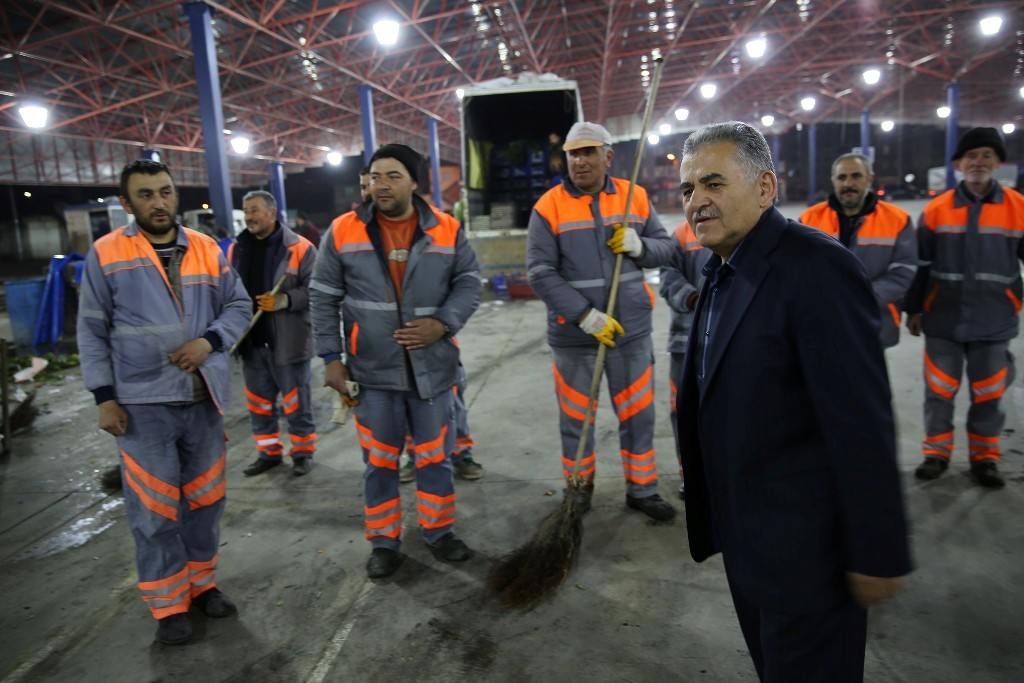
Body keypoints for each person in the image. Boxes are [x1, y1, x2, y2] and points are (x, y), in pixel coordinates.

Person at [675, 122, 911, 682]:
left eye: (713, 183)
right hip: (749, 543)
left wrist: (877, 551)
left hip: (810, 557)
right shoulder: (720, 270)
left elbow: (861, 422)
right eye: (687, 190)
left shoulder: (817, 269)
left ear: (765, 188)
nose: (697, 201)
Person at [77, 159, 252, 645]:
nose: (159, 201)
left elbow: (240, 305)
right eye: (147, 194)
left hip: (203, 399)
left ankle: (202, 588)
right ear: (127, 203)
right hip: (141, 404)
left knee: (206, 502)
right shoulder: (107, 253)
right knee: (154, 513)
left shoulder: (205, 248)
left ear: (176, 195)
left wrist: (210, 342)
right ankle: (168, 604)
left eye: (165, 191)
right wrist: (104, 398)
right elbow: (91, 330)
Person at [310, 143, 482, 579]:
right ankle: (384, 541)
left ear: (414, 182)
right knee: (381, 462)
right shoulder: (343, 231)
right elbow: (323, 297)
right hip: (372, 371)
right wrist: (331, 357)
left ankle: (439, 531)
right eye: (375, 176)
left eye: (392, 176)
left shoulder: (446, 229)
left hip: (433, 369)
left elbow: (468, 284)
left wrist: (442, 324)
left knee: (434, 458)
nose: (380, 185)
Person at [526, 121, 676, 521]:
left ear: (608, 156)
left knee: (638, 415)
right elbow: (540, 272)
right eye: (574, 153)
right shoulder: (549, 207)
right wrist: (584, 315)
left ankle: (642, 489)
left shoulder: (634, 198)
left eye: (589, 152)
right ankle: (579, 490)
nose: (580, 160)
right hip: (575, 337)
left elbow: (667, 249)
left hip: (630, 333)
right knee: (576, 419)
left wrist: (640, 245)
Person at [905, 127, 1024, 488]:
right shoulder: (936, 210)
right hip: (944, 317)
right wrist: (914, 309)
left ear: (998, 163)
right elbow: (920, 264)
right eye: (970, 156)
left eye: (986, 155)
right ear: (958, 164)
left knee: (989, 393)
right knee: (939, 391)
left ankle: (985, 458)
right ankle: (937, 453)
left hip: (995, 319)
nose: (978, 162)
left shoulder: (1018, 208)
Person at [230, 190, 318, 478]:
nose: (249, 217)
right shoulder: (237, 249)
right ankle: (268, 453)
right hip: (252, 342)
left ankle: (303, 453)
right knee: (259, 404)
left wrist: (285, 300)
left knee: (296, 403)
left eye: (255, 210)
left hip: (287, 343)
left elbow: (317, 290)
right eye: (246, 211)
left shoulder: (301, 248)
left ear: (272, 213)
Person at [799, 153, 917, 348]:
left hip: (874, 321)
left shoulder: (897, 219)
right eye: (842, 177)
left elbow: (904, 270)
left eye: (856, 176)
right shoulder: (810, 219)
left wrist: (860, 298)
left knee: (868, 377)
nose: (848, 183)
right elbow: (798, 270)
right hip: (823, 321)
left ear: (869, 179)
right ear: (833, 181)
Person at [659, 221, 710, 500]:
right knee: (686, 412)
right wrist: (693, 298)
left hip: (736, 340)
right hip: (688, 342)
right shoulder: (681, 234)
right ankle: (690, 475)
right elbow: (667, 275)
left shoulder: (749, 225)